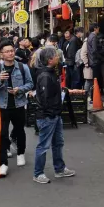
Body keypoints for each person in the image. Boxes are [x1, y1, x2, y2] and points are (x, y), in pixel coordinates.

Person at [32, 46, 76, 184]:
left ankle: (60, 169)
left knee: (58, 143)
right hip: (48, 116)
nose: (58, 57)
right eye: (56, 56)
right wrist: (51, 113)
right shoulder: (45, 75)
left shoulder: (51, 72)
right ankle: (38, 173)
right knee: (43, 145)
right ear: (50, 59)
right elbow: (45, 99)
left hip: (54, 114)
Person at [0, 43, 33, 176]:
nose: (10, 53)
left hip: (18, 104)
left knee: (19, 130)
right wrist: (0, 81)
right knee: (2, 134)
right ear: (1, 54)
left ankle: (21, 152)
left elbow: (31, 83)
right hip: (2, 106)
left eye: (12, 51)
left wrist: (19, 90)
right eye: (7, 51)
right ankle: (3, 163)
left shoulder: (22, 67)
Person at [86, 24, 104, 104]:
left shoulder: (89, 36)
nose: (99, 29)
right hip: (95, 61)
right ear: (95, 29)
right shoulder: (94, 36)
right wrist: (102, 58)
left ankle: (93, 97)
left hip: (92, 60)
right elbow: (94, 50)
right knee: (96, 80)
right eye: (98, 28)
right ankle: (93, 97)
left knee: (95, 80)